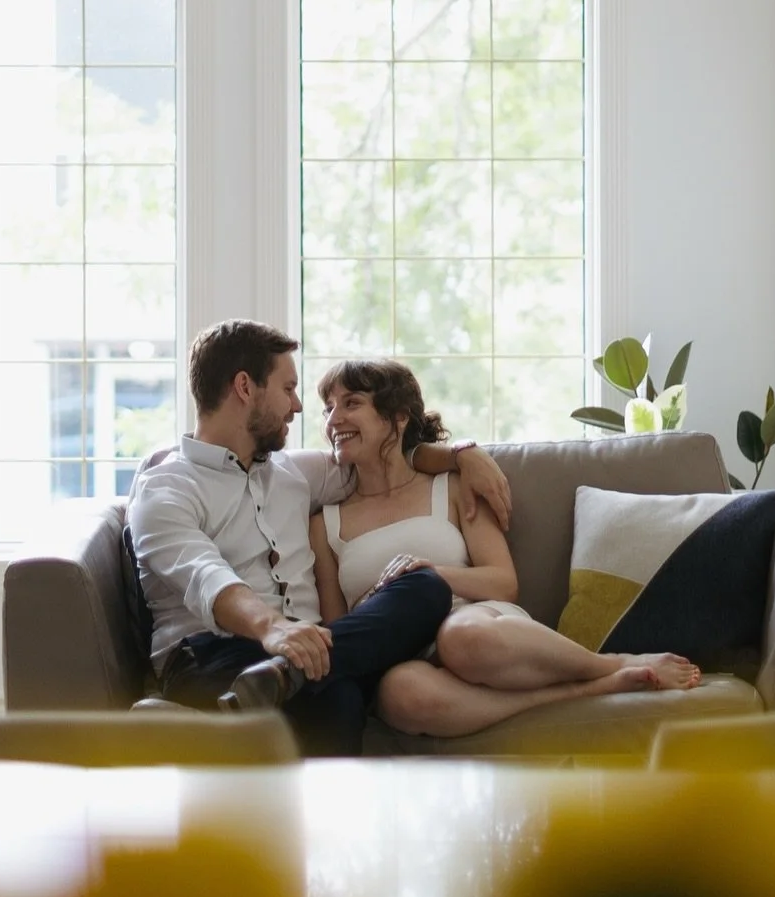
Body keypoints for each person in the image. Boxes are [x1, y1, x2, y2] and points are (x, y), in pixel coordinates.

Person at [126, 320, 514, 757]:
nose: (297, 407)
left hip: (317, 650)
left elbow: (384, 453)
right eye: (288, 388)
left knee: (424, 586)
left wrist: (465, 454)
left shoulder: (296, 473)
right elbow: (205, 576)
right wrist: (274, 629)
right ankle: (259, 695)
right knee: (337, 698)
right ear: (244, 387)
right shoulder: (166, 488)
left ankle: (235, 712)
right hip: (213, 655)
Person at [311, 358, 702, 739]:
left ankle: (608, 664)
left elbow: (503, 583)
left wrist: (429, 574)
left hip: (476, 621)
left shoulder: (453, 486)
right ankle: (592, 688)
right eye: (328, 408)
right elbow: (338, 632)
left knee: (462, 640)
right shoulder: (324, 523)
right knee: (402, 696)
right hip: (401, 653)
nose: (333, 420)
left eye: (351, 404)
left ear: (397, 417)